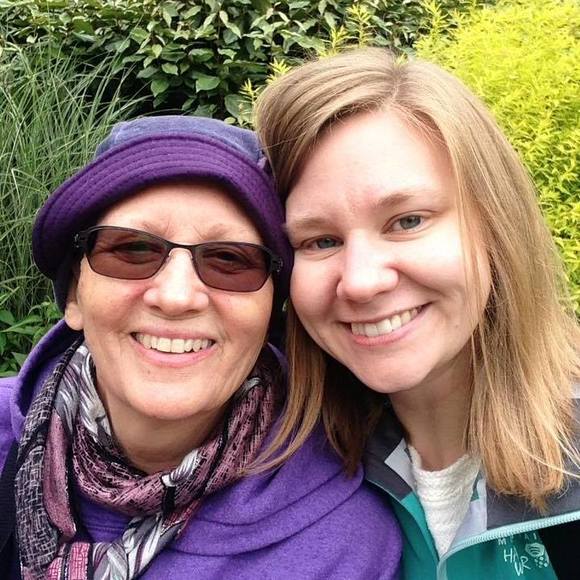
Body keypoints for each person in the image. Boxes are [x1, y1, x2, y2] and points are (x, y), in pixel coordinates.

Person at [0, 116, 402, 580]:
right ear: (74, 294)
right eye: (132, 250)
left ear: (271, 310)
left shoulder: (348, 546)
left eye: (230, 259)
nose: (176, 297)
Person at [254, 48, 580, 579]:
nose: (361, 281)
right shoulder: (287, 472)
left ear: (496, 224)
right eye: (320, 241)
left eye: (407, 221)